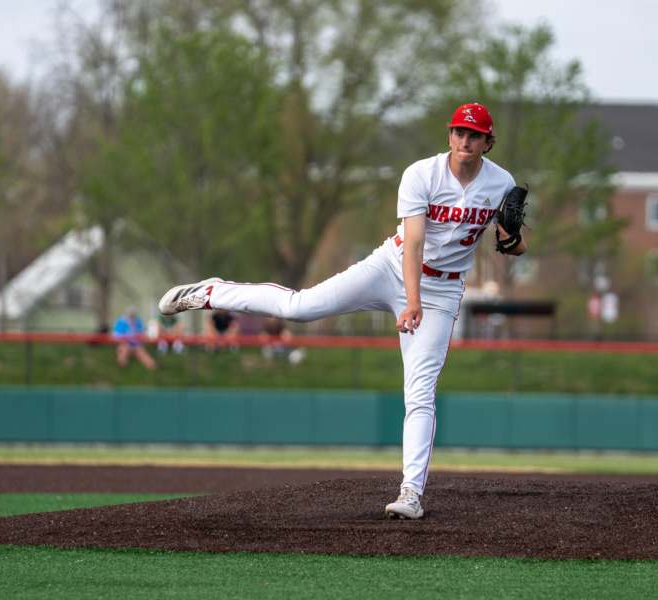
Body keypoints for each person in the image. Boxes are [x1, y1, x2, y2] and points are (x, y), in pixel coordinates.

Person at [158, 102, 526, 519]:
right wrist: (411, 301)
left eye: (474, 135)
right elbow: (415, 244)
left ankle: (410, 493)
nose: (465, 140)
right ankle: (213, 292)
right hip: (393, 266)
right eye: (459, 132)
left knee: (420, 392)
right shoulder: (421, 174)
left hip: (443, 291)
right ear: (449, 136)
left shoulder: (501, 183)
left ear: (488, 142)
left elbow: (515, 248)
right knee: (299, 307)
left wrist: (510, 238)